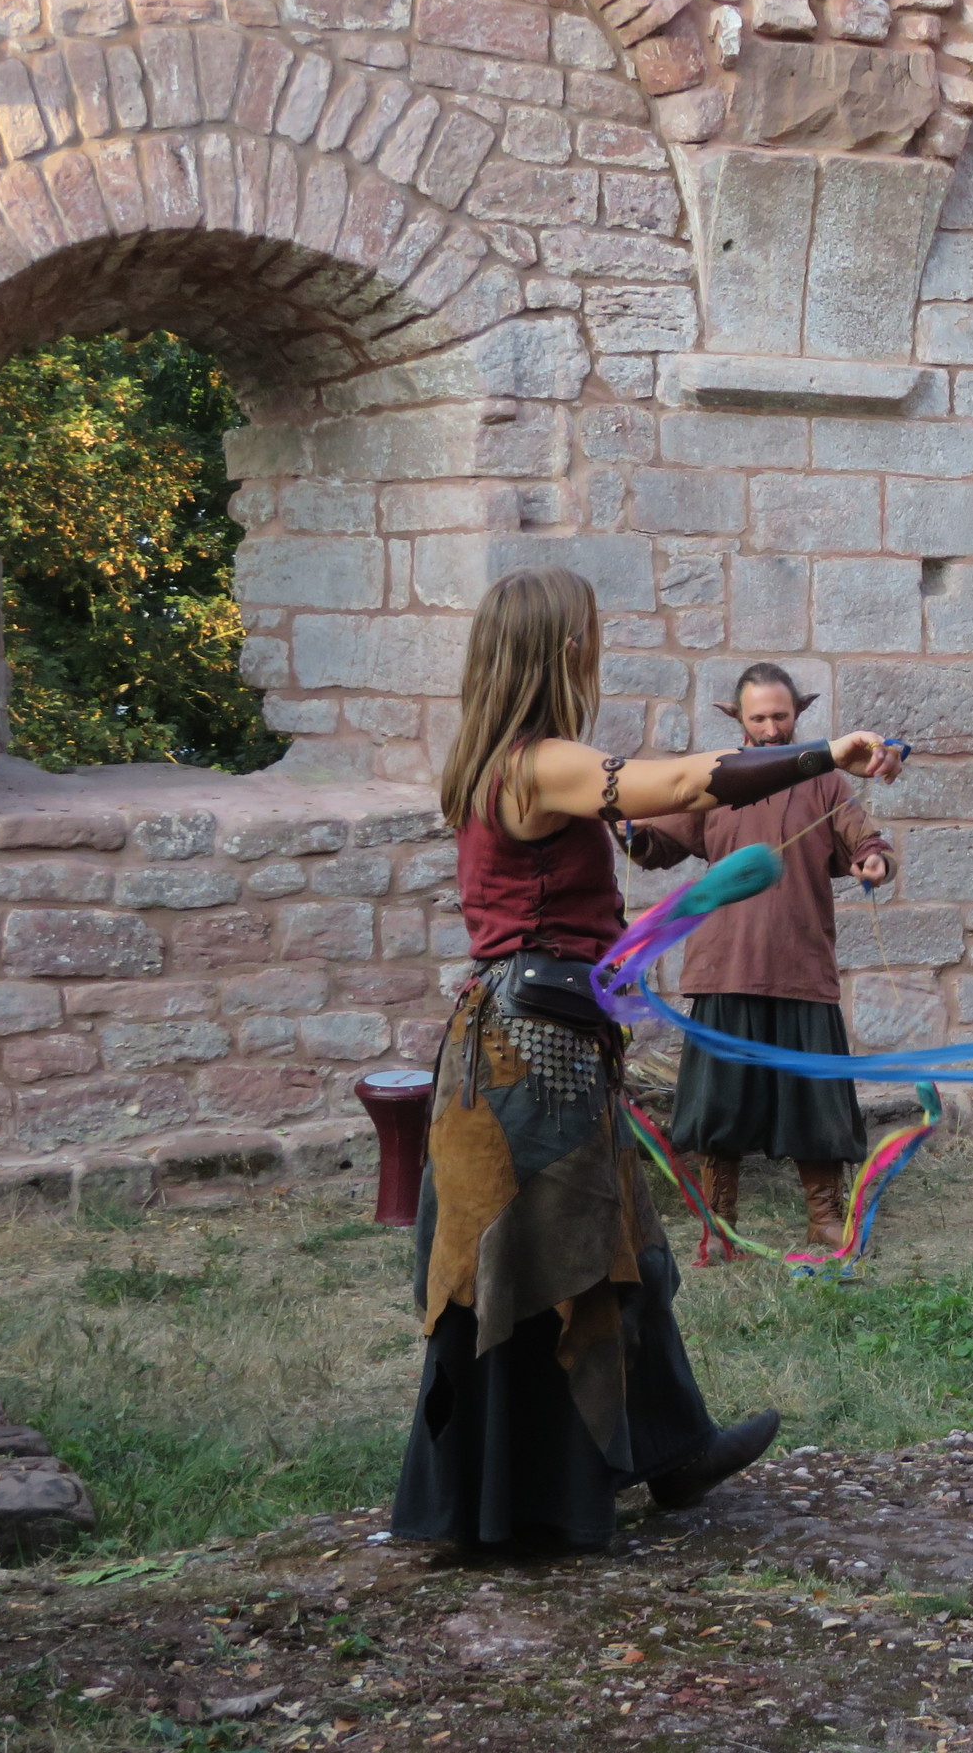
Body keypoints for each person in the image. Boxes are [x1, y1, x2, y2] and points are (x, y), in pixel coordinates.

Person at [391, 567, 901, 1553]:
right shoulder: (537, 762)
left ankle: (675, 1451)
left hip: (541, 1044)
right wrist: (823, 754)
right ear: (556, 650)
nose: (594, 652)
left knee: (623, 1251)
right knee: (540, 1270)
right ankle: (514, 1507)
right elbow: (686, 785)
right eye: (584, 637)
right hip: (527, 1060)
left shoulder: (497, 760)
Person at [624, 663, 895, 1253]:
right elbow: (661, 843)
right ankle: (719, 1223)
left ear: (798, 713)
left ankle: (823, 1216)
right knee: (719, 1104)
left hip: (802, 965)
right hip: (726, 966)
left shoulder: (825, 781)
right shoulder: (716, 780)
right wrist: (635, 835)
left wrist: (875, 860)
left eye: (780, 716)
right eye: (759, 718)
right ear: (738, 718)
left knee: (816, 1101)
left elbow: (865, 839)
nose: (771, 729)